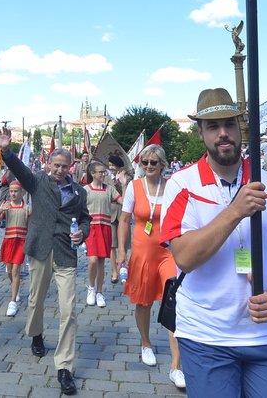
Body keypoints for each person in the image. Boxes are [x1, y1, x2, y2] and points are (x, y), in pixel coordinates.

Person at [162, 88, 267, 397]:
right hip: (206, 336)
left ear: (240, 128)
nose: (223, 134)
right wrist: (235, 211)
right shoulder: (181, 185)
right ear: (201, 132)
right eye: (213, 127)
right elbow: (185, 258)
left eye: (229, 124)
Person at [0, 127, 90, 396]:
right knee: (36, 299)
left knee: (68, 309)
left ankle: (64, 367)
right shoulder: (37, 182)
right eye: (56, 165)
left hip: (65, 252)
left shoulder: (79, 192)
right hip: (39, 249)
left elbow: (85, 219)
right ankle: (36, 333)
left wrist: (82, 232)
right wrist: (5, 148)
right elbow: (17, 166)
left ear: (70, 167)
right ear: (49, 165)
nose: (60, 170)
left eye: (64, 166)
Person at [116, 144, 185, 389]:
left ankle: (176, 366)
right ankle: (146, 343)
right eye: (144, 162)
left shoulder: (172, 187)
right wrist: (122, 251)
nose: (148, 166)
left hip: (167, 252)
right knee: (143, 301)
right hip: (143, 251)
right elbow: (124, 220)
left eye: (153, 163)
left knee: (173, 301)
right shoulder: (135, 187)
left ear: (163, 165)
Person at [83, 161, 121, 309]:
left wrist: (124, 184)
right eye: (100, 172)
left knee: (100, 261)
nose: (103, 174)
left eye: (104, 172)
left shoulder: (109, 189)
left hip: (105, 227)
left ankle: (99, 292)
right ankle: (91, 288)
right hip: (92, 228)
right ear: (93, 173)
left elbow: (122, 201)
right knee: (92, 260)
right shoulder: (86, 190)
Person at [0, 181, 29, 317]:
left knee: (16, 270)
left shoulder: (27, 208)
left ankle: (13, 301)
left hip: (21, 241)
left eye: (16, 191)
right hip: (8, 241)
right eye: (11, 191)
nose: (13, 194)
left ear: (22, 193)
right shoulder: (6, 207)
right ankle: (16, 287)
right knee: (9, 270)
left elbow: (30, 228)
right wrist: (0, 211)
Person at [107, 155, 133, 284]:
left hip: (123, 213)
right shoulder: (106, 178)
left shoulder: (128, 178)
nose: (110, 167)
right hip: (110, 213)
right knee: (111, 245)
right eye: (109, 165)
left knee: (124, 244)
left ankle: (124, 267)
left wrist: (123, 182)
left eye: (113, 165)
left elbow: (127, 198)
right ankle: (114, 272)